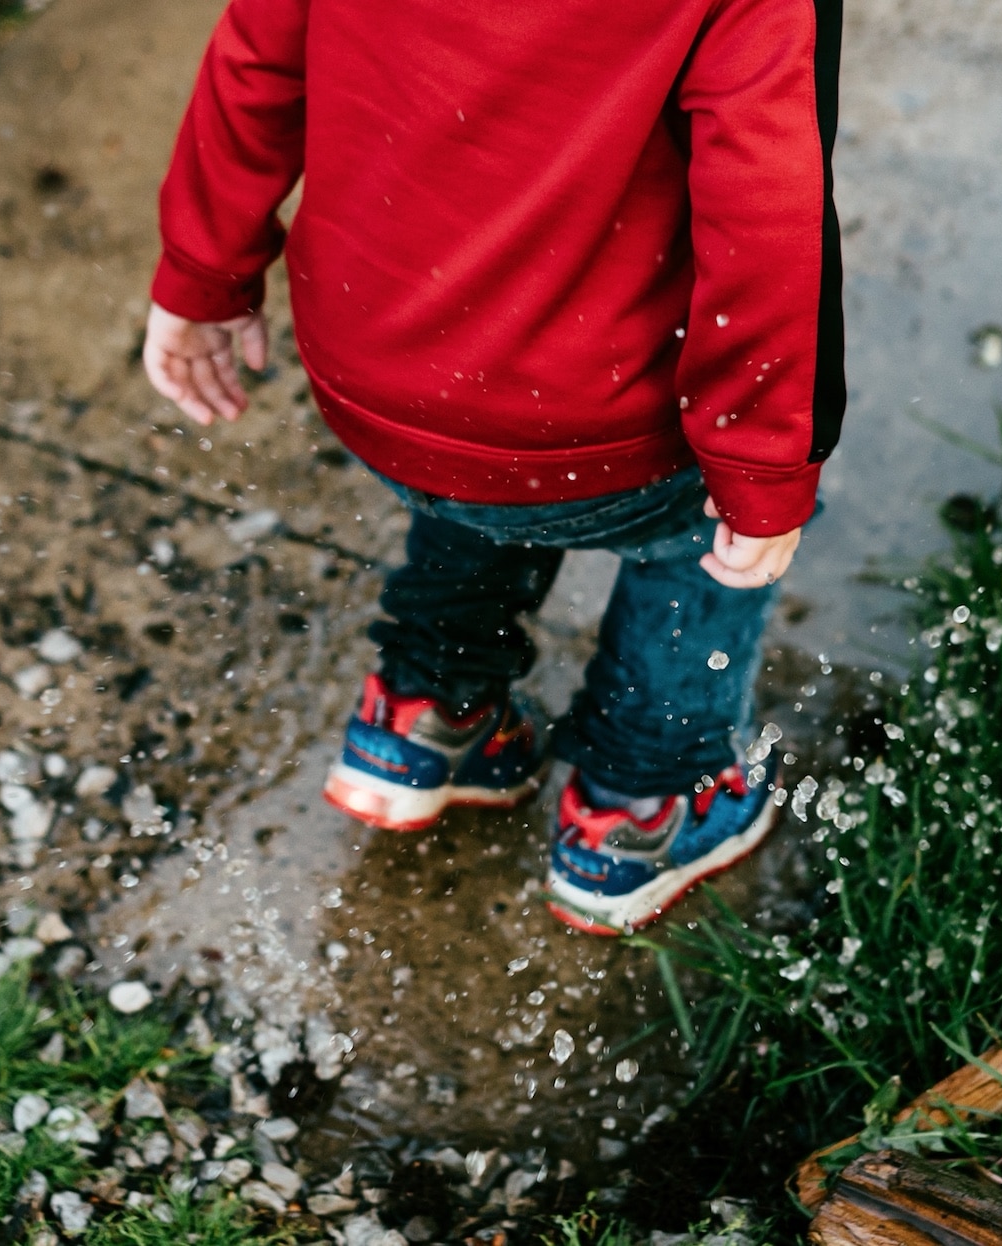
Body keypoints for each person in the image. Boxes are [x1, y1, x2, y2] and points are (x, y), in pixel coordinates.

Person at [142, 0, 846, 935]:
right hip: (596, 411)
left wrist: (203, 268)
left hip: (379, 369)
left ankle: (427, 711)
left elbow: (257, 62)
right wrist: (762, 462)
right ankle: (642, 803)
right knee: (693, 541)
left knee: (478, 460)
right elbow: (763, 201)